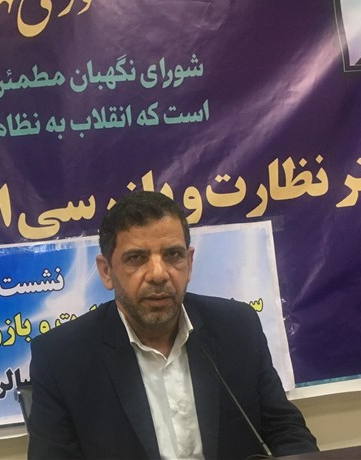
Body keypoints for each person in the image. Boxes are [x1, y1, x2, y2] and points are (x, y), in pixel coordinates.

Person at [27, 191, 318, 459]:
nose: (158, 274)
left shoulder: (237, 326)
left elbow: (286, 430)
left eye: (173, 255)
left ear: (189, 263)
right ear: (106, 271)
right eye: (136, 258)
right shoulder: (61, 357)